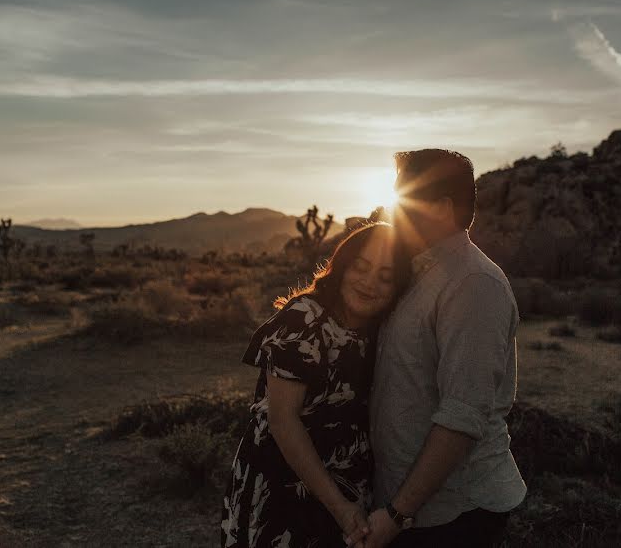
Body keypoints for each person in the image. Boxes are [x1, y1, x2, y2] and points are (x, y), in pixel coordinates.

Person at [352, 149, 527, 548]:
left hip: (453, 513)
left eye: (404, 198)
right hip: (413, 507)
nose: (392, 208)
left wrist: (397, 515)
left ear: (441, 208)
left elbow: (462, 416)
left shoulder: (473, 285)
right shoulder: (420, 272)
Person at [221, 223, 410, 547]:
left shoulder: (377, 332)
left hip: (348, 490)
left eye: (385, 276)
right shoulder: (305, 319)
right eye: (361, 268)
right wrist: (341, 508)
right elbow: (283, 420)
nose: (369, 283)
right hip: (284, 486)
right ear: (342, 266)